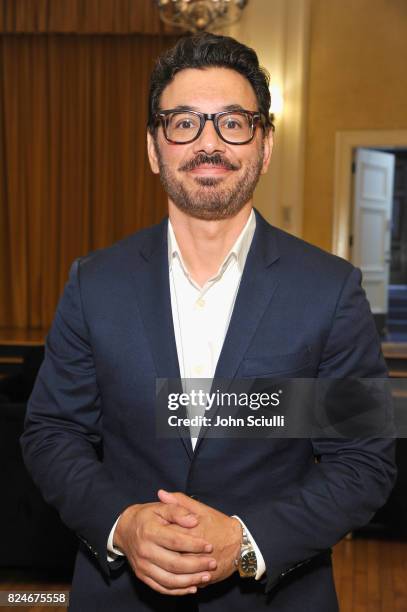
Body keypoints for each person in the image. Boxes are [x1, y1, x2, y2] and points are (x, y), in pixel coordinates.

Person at [21, 33, 396, 612]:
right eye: (184, 122)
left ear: (265, 145)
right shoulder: (94, 283)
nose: (209, 142)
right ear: (154, 148)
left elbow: (363, 460)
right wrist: (122, 524)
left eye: (234, 122)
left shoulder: (331, 290)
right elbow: (52, 434)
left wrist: (247, 542)